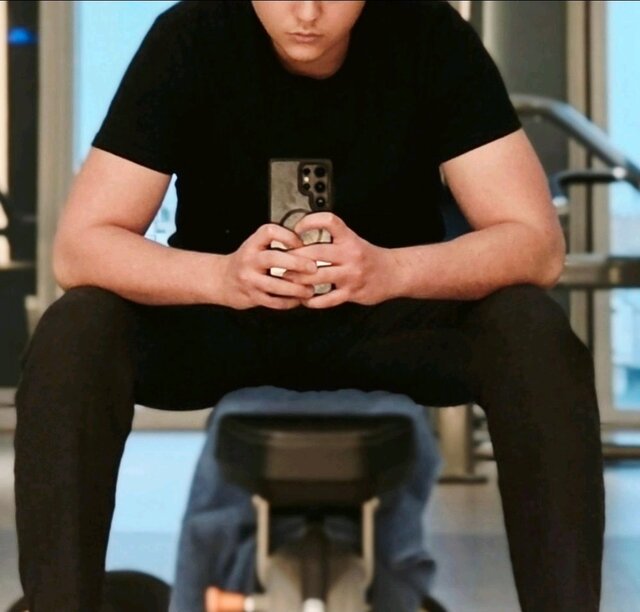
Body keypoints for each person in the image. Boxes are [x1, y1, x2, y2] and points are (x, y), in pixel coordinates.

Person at [13, 1, 604, 611]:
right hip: (223, 320)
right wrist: (221, 277)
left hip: (386, 317)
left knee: (531, 328)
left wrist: (392, 270)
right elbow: (79, 248)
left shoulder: (429, 34)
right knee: (77, 327)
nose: (307, 11)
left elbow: (537, 247)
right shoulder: (189, 37)